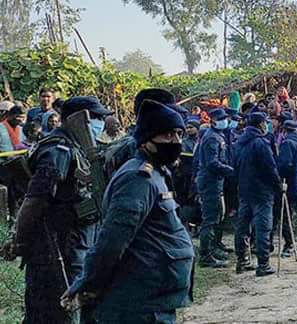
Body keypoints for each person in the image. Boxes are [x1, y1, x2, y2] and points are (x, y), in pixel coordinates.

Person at [62, 100, 194, 323]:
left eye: (179, 134)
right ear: (146, 140)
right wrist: (88, 282)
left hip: (152, 298)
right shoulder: (137, 178)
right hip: (137, 302)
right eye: (168, 136)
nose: (176, 142)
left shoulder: (157, 174)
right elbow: (111, 241)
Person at [5, 96, 112, 324]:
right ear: (77, 119)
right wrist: (20, 240)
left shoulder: (79, 147)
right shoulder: (58, 149)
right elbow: (35, 200)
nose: (100, 123)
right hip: (56, 246)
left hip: (76, 243)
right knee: (52, 311)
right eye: (95, 118)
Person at [233, 112, 282, 276]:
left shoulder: (239, 141)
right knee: (263, 226)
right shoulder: (261, 143)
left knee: (243, 224)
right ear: (261, 124)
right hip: (262, 190)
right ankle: (263, 264)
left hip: (244, 188)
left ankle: (242, 260)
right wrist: (278, 185)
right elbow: (270, 167)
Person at [194, 108, 234, 268]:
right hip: (210, 182)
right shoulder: (211, 138)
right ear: (213, 121)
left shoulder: (217, 135)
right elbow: (212, 163)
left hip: (216, 181)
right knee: (210, 219)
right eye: (222, 119)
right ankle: (205, 255)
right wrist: (230, 170)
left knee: (218, 215)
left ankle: (214, 246)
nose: (225, 121)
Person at [277, 119, 297, 257]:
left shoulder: (287, 143)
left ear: (284, 129)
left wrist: (278, 175)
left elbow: (284, 165)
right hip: (295, 184)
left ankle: (289, 244)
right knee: (287, 216)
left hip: (287, 184)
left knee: (284, 216)